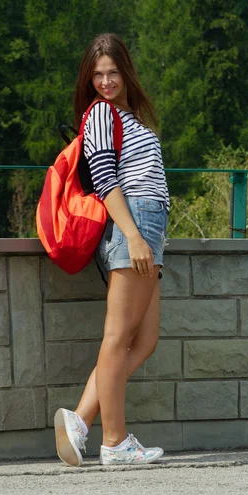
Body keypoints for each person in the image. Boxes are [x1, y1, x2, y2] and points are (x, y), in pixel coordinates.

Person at [54, 33, 170, 466]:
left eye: (113, 72)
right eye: (98, 74)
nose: (105, 81)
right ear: (90, 79)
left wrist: (151, 236)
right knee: (119, 336)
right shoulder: (101, 113)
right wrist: (135, 235)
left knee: (146, 339)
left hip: (148, 226)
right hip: (133, 224)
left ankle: (81, 421)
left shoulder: (129, 116)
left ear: (126, 72)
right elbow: (104, 178)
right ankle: (115, 442)